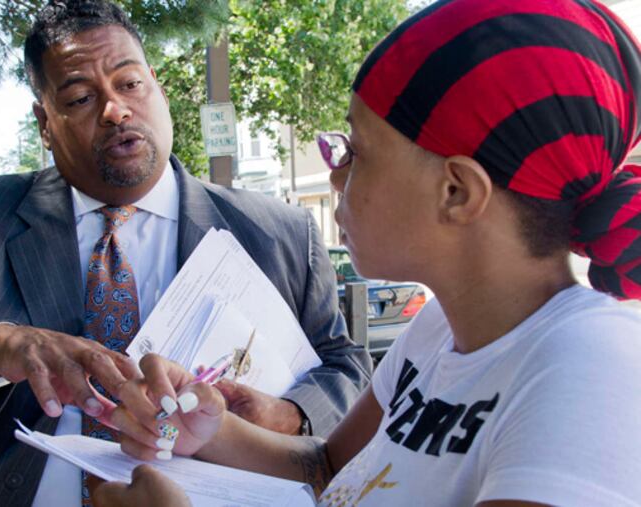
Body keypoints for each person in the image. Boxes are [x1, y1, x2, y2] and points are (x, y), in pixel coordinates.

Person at [93, 0, 641, 505]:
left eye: (356, 151)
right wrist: (212, 432)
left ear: (457, 193)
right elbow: (330, 465)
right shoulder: (436, 333)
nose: (335, 176)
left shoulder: (590, 362)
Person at [0, 1, 372, 505]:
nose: (115, 109)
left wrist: (287, 415)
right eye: (79, 98)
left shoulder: (278, 232)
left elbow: (347, 367)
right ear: (43, 122)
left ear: (156, 85)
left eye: (130, 83)